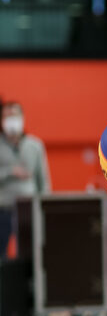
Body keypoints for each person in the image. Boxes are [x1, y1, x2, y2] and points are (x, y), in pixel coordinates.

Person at [0, 100, 51, 258]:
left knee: (31, 253)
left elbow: (43, 179)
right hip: (3, 209)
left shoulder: (35, 145)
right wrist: (9, 172)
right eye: (7, 116)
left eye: (14, 116)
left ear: (22, 118)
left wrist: (46, 206)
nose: (11, 120)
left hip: (29, 209)